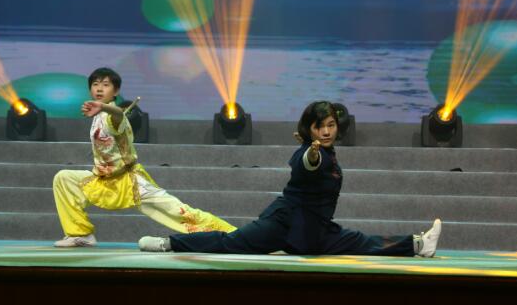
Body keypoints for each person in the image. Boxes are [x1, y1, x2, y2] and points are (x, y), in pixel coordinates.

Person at [138, 100, 442, 257]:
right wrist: (311, 153)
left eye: (331, 125)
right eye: (320, 126)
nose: (326, 131)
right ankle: (168, 243)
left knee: (362, 242)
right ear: (310, 129)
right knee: (230, 242)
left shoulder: (328, 151)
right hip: (284, 224)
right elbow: (308, 164)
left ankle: (418, 245)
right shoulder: (311, 153)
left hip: (315, 231)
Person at [53, 67, 236, 247]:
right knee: (64, 178)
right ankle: (81, 234)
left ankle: (233, 235)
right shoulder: (98, 115)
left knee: (179, 212)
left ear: (116, 91)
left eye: (106, 85)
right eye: (95, 84)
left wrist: (103, 106)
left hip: (130, 181)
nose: (99, 89)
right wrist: (100, 108)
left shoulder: (112, 115)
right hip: (104, 180)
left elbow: (118, 115)